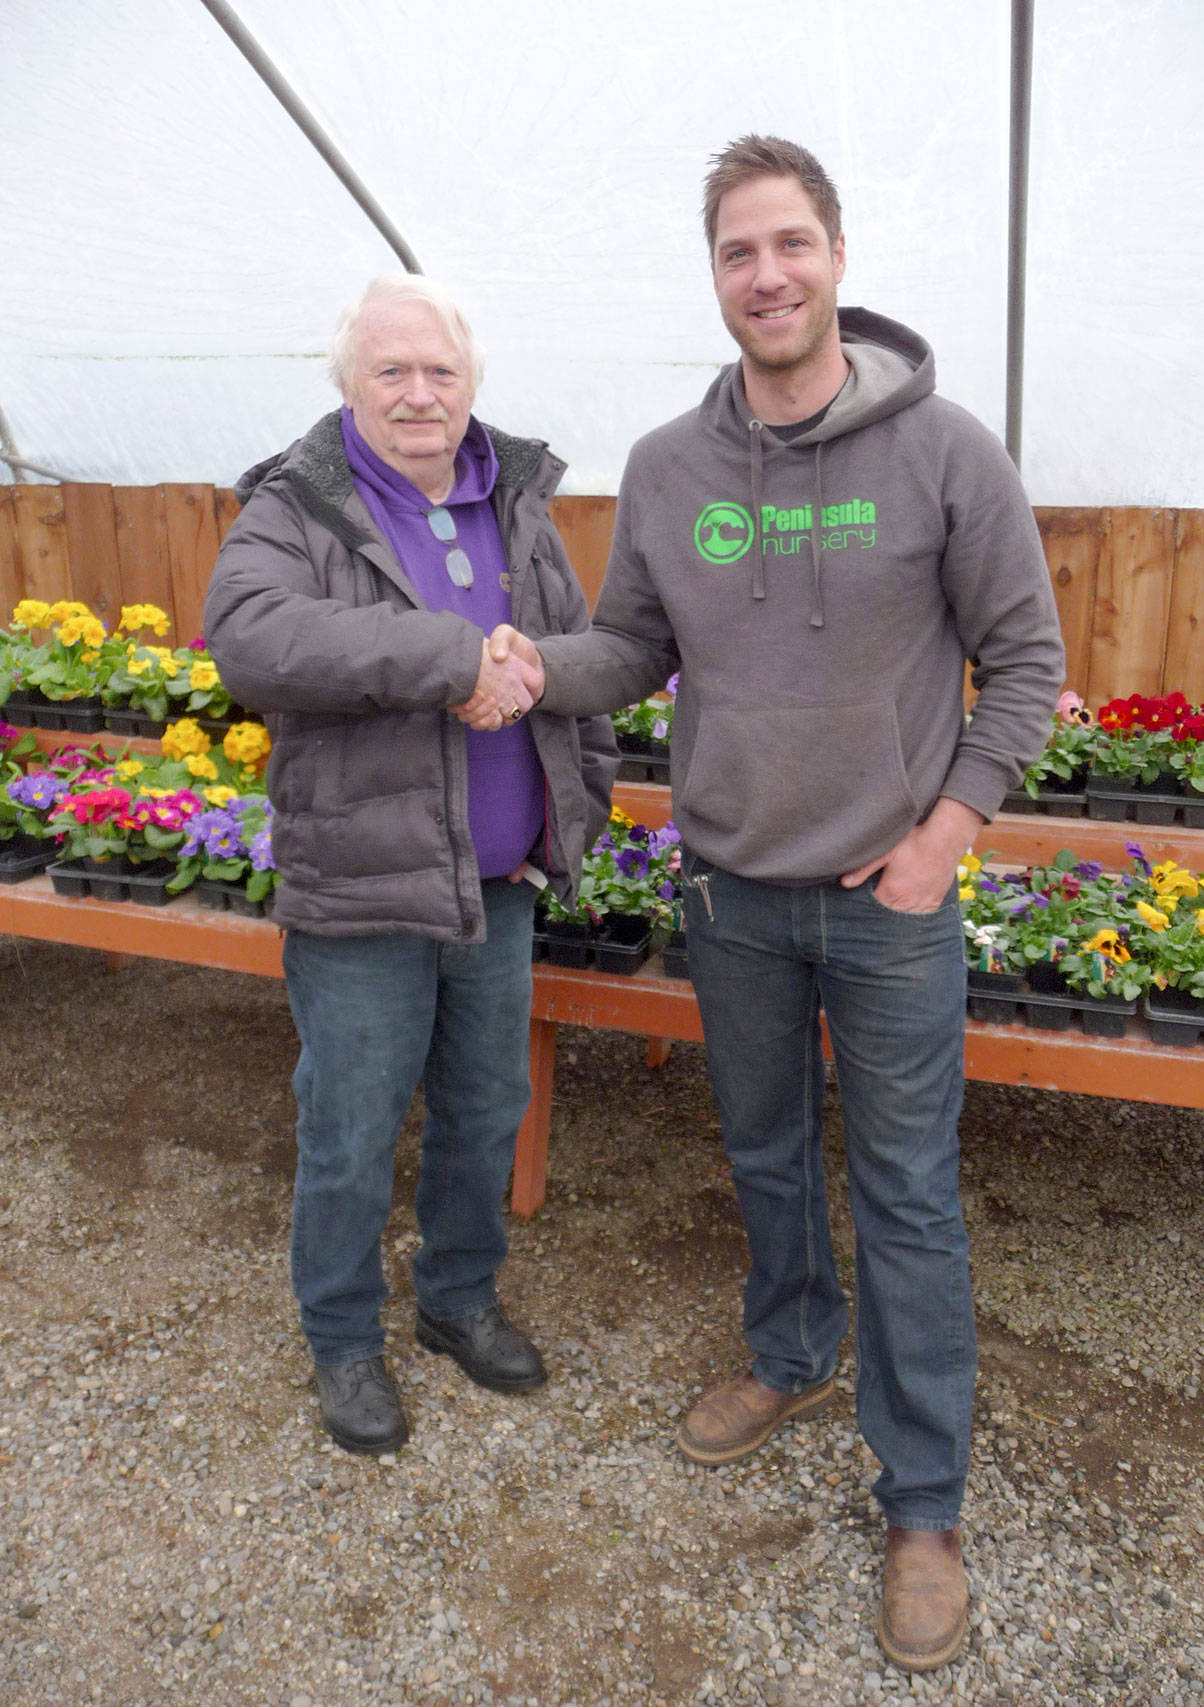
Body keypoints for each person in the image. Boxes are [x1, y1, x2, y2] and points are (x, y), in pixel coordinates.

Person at [468, 137, 1065, 1672]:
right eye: (739, 251)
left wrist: (945, 832)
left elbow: (1028, 661)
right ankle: (793, 1350)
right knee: (766, 1149)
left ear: (838, 257)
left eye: (791, 242)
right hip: (734, 888)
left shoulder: (947, 451)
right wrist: (529, 663)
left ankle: (922, 1500)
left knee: (909, 1191)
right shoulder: (672, 465)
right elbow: (630, 646)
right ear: (716, 276)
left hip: (887, 901)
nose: (768, 273)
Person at [203, 275, 616, 1457]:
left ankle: (456, 1298)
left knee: (486, 1109)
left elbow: (573, 652)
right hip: (364, 888)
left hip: (497, 883)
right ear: (349, 382)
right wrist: (449, 657)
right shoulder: (299, 505)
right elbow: (251, 638)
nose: (419, 393)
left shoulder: (515, 499)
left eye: (441, 370)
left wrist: (571, 808)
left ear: (471, 381)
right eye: (391, 370)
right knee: (350, 1125)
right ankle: (342, 1338)